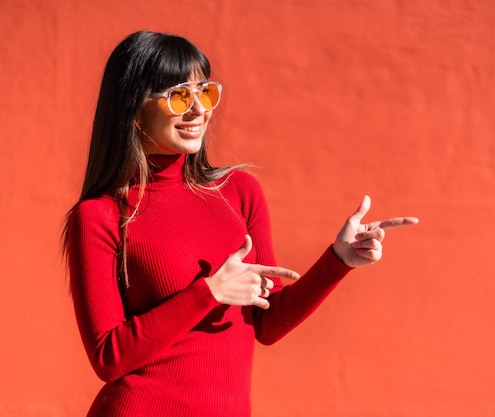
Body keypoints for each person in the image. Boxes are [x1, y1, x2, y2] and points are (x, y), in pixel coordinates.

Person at [62, 30, 418, 417]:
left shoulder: (239, 193)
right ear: (133, 107)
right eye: (180, 95)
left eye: (206, 92)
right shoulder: (101, 215)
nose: (198, 110)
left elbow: (268, 324)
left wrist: (339, 259)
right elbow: (108, 357)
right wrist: (209, 292)